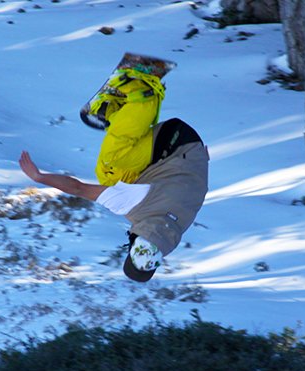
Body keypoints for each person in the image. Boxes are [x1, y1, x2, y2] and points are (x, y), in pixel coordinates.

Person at [19, 70, 209, 282]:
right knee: (112, 160)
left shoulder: (174, 231)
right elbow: (78, 188)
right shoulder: (135, 204)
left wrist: (198, 159)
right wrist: (39, 177)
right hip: (174, 142)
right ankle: (140, 91)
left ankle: (118, 111)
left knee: (108, 177)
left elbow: (193, 192)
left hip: (191, 154)